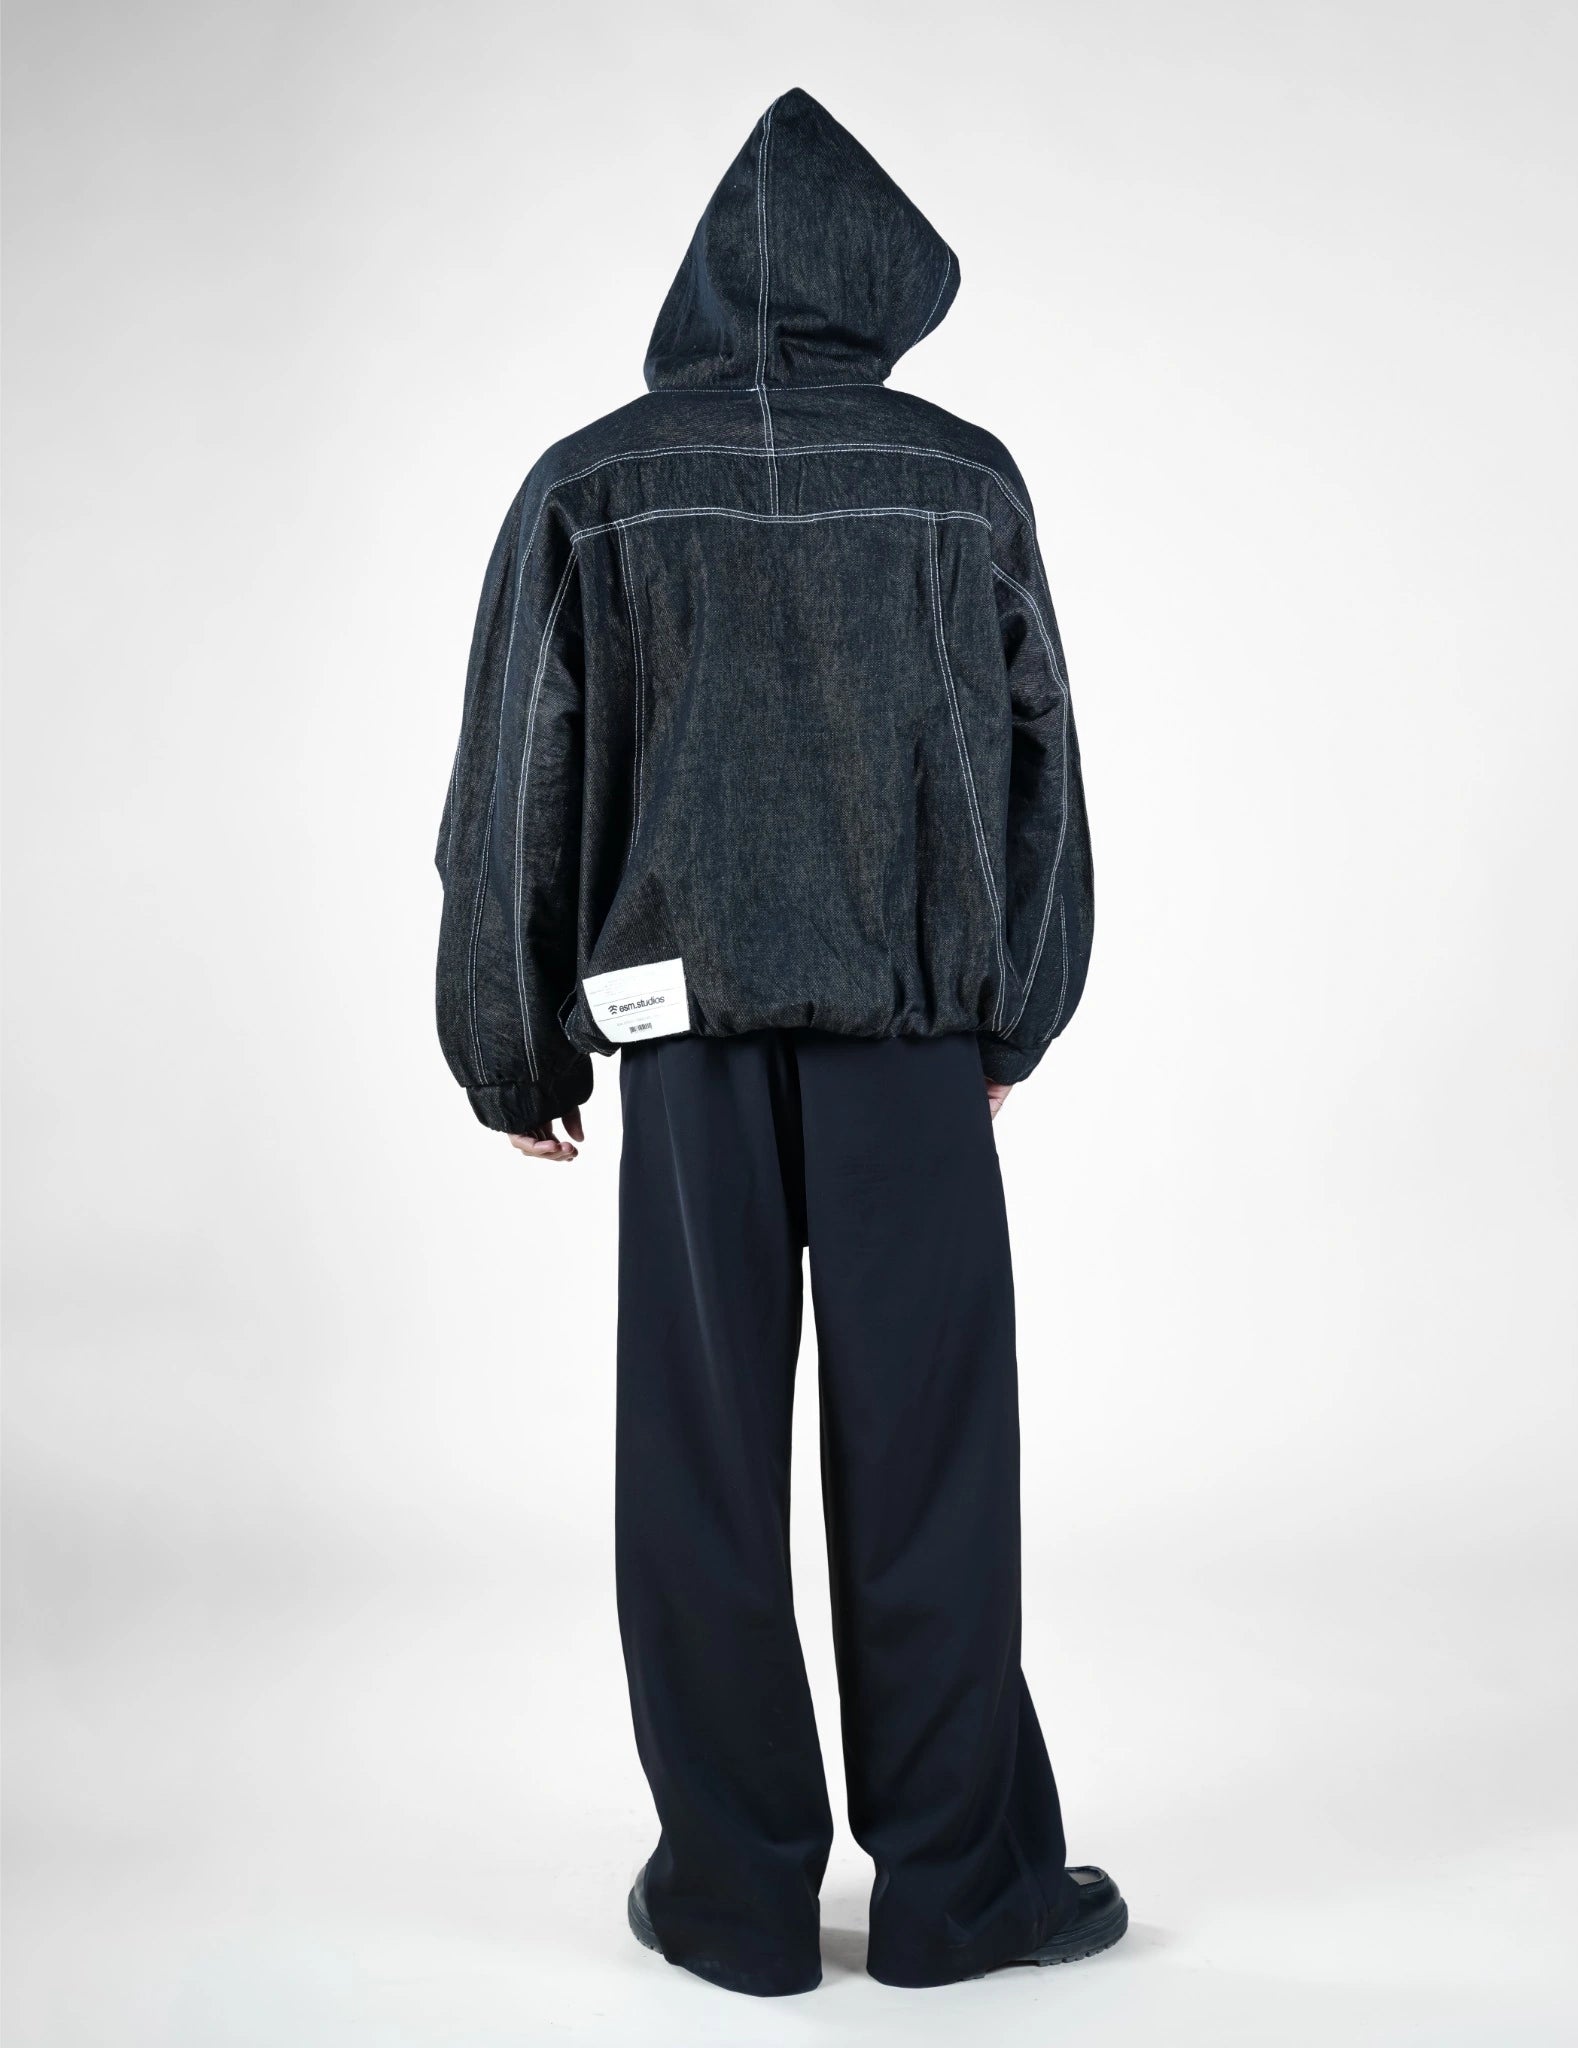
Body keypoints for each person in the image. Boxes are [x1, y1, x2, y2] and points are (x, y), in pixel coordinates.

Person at [434, 86, 1120, 1996]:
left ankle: (735, 1901)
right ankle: (957, 1895)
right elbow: (1043, 770)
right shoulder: (958, 478)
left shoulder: (592, 479)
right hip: (910, 1041)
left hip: (689, 1048)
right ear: (878, 285)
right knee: (932, 1467)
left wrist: (513, 1046)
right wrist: (1014, 1008)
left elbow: (512, 778)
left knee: (700, 1467)